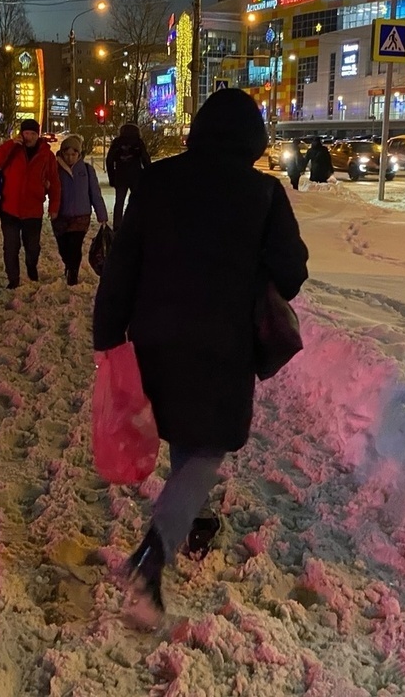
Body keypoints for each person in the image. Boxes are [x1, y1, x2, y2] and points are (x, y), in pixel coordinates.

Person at [93, 88, 309, 628]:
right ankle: (154, 551)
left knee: (185, 430)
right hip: (223, 341)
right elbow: (293, 273)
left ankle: (193, 517)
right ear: (253, 140)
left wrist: (107, 334)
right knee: (209, 443)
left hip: (156, 335)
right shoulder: (263, 194)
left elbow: (123, 262)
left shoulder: (158, 180)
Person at [0, 118, 61, 289]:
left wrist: (54, 207)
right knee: (11, 247)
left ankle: (31, 267)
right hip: (9, 209)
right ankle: (13, 279)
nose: (29, 137)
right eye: (26, 133)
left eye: (33, 133)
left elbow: (55, 182)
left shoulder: (46, 155)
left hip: (33, 211)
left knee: (32, 247)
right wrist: (10, 144)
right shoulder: (12, 149)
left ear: (38, 135)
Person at [52, 134, 108, 286]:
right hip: (60, 216)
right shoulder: (55, 169)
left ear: (79, 153)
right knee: (63, 248)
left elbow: (95, 193)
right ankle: (69, 265)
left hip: (81, 216)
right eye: (67, 154)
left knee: (75, 246)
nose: (70, 157)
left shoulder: (87, 170)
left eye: (73, 154)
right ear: (62, 153)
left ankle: (73, 274)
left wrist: (101, 214)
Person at [105, 123, 150, 227]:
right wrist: (147, 174)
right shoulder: (138, 143)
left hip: (121, 176)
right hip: (136, 176)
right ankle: (138, 223)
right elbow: (145, 159)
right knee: (137, 201)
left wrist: (112, 177)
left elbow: (109, 161)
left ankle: (117, 226)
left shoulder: (117, 143)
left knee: (119, 202)